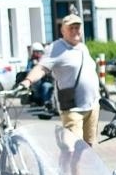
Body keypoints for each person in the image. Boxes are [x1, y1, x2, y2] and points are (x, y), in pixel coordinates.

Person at [21, 14, 100, 143]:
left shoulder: (82, 47)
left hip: (92, 106)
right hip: (73, 108)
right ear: (63, 30)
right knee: (72, 147)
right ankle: (65, 163)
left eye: (77, 27)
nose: (75, 31)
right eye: (71, 28)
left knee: (88, 148)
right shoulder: (56, 48)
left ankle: (79, 163)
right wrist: (27, 81)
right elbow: (42, 68)